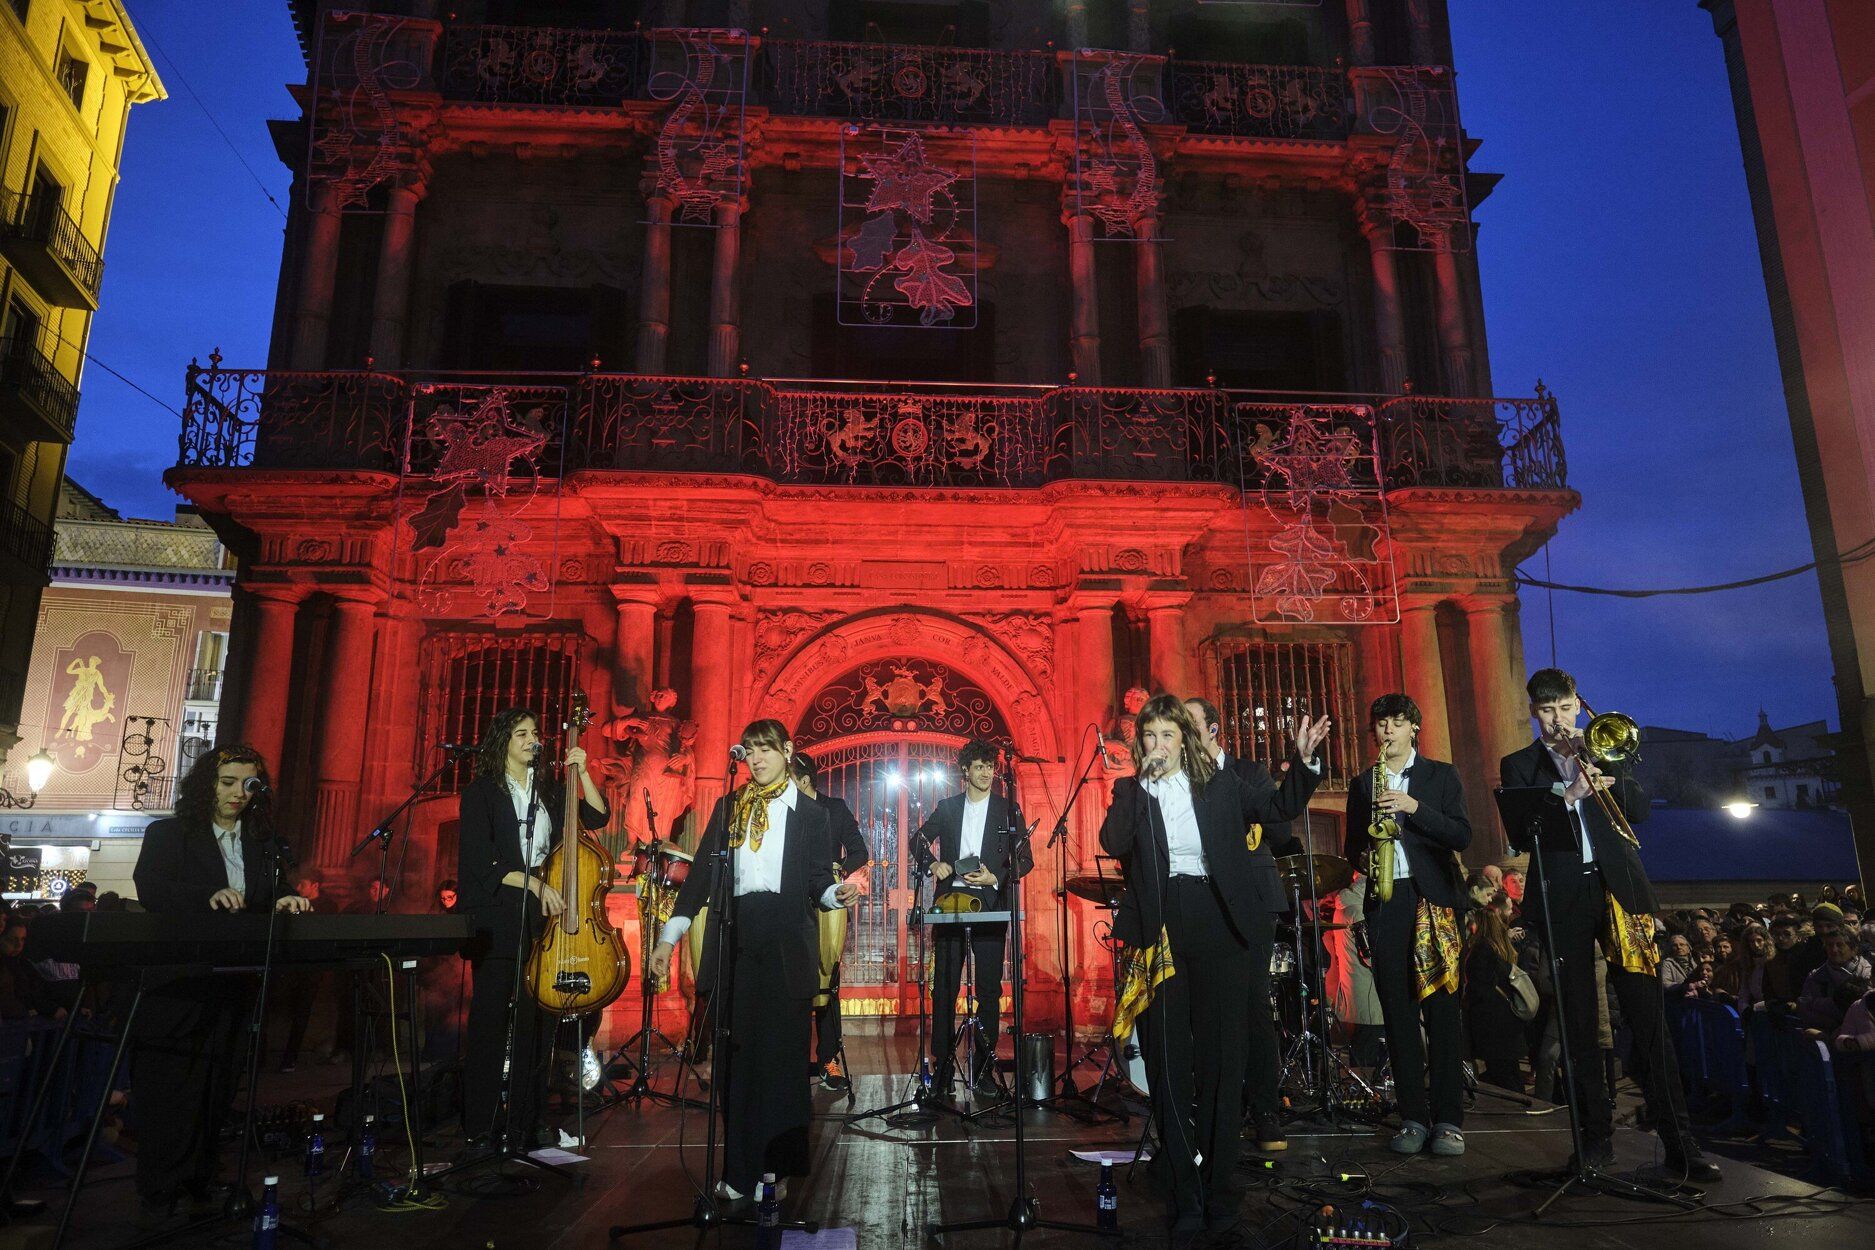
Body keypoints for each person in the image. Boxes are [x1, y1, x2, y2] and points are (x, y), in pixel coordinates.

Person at [1101, 694, 1329, 1244]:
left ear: (1186, 740)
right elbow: (1112, 842)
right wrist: (1142, 783)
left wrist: (1305, 762)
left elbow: (1278, 807)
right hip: (1161, 927)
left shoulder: (1221, 784)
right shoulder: (1132, 792)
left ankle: (1221, 1193)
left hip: (1219, 919)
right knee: (1167, 1063)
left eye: (1167, 735)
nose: (1158, 745)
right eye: (1149, 736)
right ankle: (1185, 1195)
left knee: (1223, 1061)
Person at [1500, 668, 1720, 1183]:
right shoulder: (1520, 764)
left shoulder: (1602, 750)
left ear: (1579, 706)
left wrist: (1604, 767)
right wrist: (1570, 792)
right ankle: (1595, 1143)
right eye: (1546, 711)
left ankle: (1680, 1144)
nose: (1557, 720)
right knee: (1578, 1024)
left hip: (1622, 894)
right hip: (1564, 896)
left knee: (1649, 1021)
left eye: (1565, 708)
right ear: (1534, 713)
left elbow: (1640, 810)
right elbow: (1523, 834)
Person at [647, 720, 857, 1203]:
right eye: (750, 751)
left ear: (787, 751)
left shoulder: (810, 814)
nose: (756, 759)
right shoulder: (729, 807)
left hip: (785, 942)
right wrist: (668, 938)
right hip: (736, 937)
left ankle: (775, 1172)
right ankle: (739, 1171)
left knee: (781, 1063)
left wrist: (834, 894)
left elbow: (816, 880)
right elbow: (700, 878)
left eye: (766, 750)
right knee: (737, 1062)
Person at [129, 745, 312, 1227]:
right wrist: (206, 895)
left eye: (248, 785)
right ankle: (160, 1189)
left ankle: (200, 1178)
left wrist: (287, 899)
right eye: (227, 782)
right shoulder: (170, 834)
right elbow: (151, 887)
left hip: (234, 980)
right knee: (174, 1088)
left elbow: (271, 891)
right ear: (206, 784)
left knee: (219, 1085)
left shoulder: (260, 842)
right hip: (181, 981)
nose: (238, 794)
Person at [456, 707, 608, 1151]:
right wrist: (535, 883)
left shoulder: (548, 791)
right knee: (490, 1020)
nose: (532, 740)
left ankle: (528, 1120)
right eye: (521, 734)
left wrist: (582, 772)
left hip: (542, 918)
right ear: (502, 741)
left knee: (538, 1023)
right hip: (499, 913)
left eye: (535, 733)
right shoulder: (482, 793)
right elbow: (481, 860)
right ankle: (480, 1126)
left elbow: (597, 817)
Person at [1343, 694, 1471, 1156]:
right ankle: (1413, 1117)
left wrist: (1414, 807)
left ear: (1414, 727)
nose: (1387, 731)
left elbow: (1461, 834)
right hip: (1386, 900)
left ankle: (1449, 1120)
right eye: (1381, 724)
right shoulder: (1363, 783)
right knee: (1396, 1014)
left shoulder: (1441, 775)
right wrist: (1363, 855)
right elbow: (1351, 846)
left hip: (1432, 900)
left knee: (1442, 1014)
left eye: (1397, 723)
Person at [1183, 697, 1298, 1153]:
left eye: (1190, 723)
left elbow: (1282, 830)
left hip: (1252, 900)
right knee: (1206, 1008)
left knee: (1253, 1003)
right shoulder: (1182, 780)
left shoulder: (1248, 772)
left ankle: (1266, 1108)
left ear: (1213, 728)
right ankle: (1216, 1108)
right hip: (1203, 902)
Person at [912, 738, 1033, 1096]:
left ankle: (983, 1070)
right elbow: (918, 839)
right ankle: (943, 1068)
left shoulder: (1008, 809)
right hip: (951, 904)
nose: (985, 773)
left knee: (989, 990)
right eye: (979, 767)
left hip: (991, 904)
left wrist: (995, 876)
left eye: (990, 767)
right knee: (945, 988)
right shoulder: (948, 807)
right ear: (965, 770)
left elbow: (1025, 858)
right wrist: (933, 863)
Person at [788, 753, 870, 1093]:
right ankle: (790, 1061)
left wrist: (837, 870)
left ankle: (828, 1059)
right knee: (790, 981)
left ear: (805, 779)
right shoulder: (781, 810)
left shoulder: (833, 809)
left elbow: (860, 851)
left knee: (827, 980)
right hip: (790, 902)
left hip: (826, 902)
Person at [1464, 899, 1527, 1094]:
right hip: (1506, 1022)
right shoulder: (1502, 950)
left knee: (1503, 1074)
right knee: (1510, 1072)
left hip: (1492, 1024)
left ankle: (1515, 1105)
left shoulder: (1482, 950)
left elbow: (1480, 986)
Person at [1796, 930, 1871, 1033]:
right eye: (1830, 945)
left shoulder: (1868, 974)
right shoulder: (1816, 976)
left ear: (1854, 949)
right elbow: (1804, 1007)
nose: (1834, 950)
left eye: (1840, 945)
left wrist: (1819, 1004)